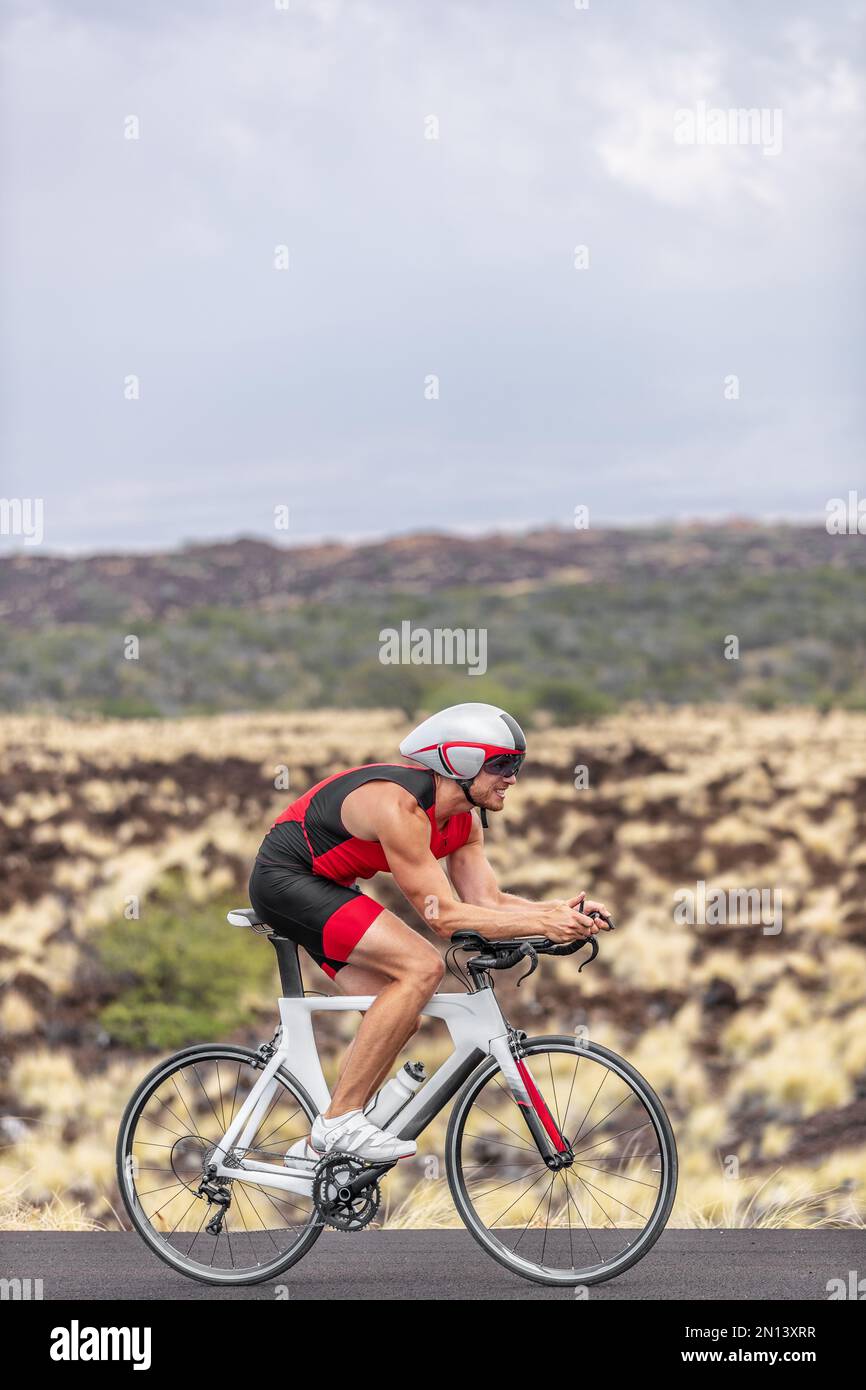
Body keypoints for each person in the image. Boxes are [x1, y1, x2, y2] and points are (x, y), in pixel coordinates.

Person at [248, 702, 612, 1164]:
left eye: (516, 765)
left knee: (402, 1011)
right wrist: (544, 923)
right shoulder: (399, 806)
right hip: (286, 880)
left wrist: (560, 913)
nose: (512, 778)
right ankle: (339, 1122)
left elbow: (485, 904)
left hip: (330, 887)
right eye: (501, 764)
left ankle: (317, 1146)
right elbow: (442, 916)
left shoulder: (464, 819)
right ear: (458, 763)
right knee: (421, 967)